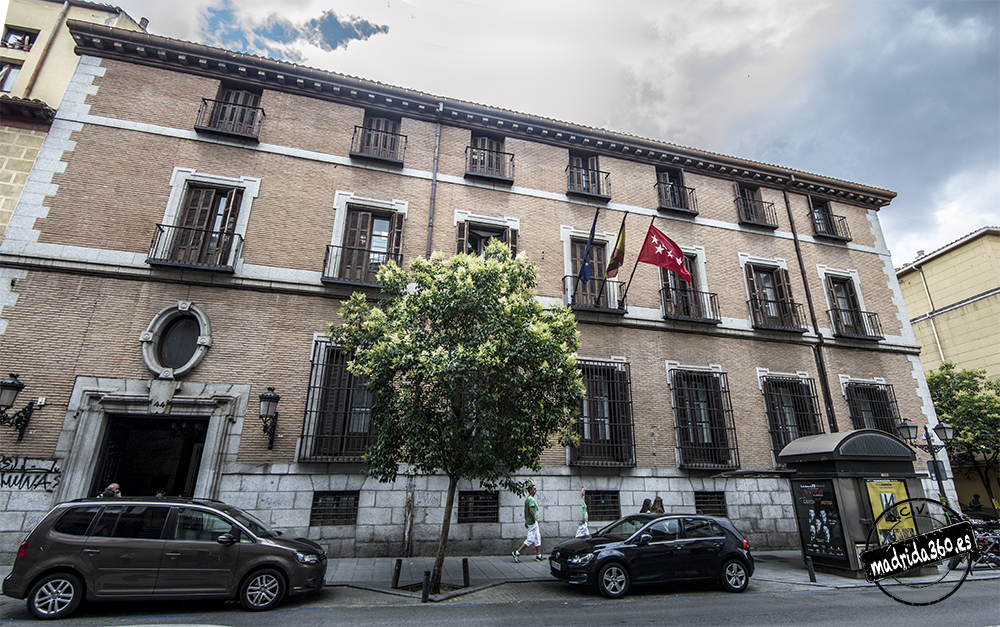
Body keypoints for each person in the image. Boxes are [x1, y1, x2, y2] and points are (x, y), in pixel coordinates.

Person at [512, 484, 543, 562]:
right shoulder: (531, 499)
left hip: (530, 522)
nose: (536, 490)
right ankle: (517, 552)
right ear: (530, 490)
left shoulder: (527, 499)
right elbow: (531, 511)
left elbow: (525, 511)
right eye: (534, 489)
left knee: (537, 538)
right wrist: (534, 520)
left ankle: (538, 555)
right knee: (530, 539)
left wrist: (526, 521)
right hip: (533, 522)